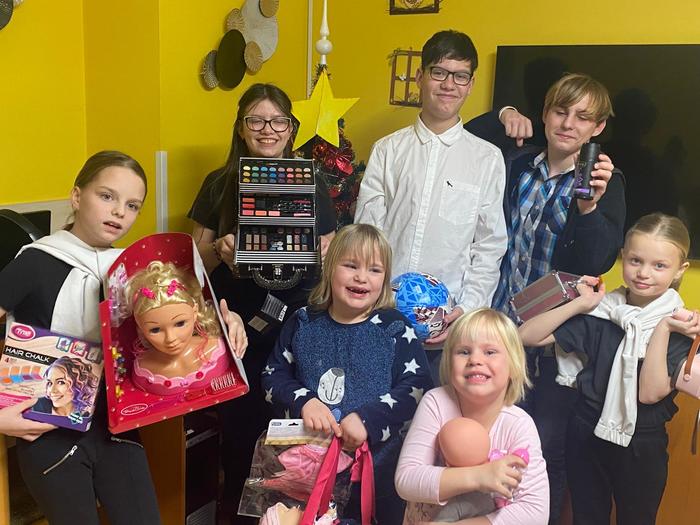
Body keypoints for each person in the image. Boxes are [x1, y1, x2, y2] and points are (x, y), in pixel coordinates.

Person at [0, 151, 247, 525]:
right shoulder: (35, 261)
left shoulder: (133, 269)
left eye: (132, 206)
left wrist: (228, 323)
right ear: (77, 196)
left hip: (118, 427)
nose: (119, 212)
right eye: (107, 196)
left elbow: (186, 317)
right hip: (48, 435)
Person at [466, 72, 625, 524]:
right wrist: (504, 114)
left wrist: (589, 207)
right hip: (501, 332)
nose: (568, 124)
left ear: (598, 128)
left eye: (583, 117)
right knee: (489, 443)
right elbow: (466, 136)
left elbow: (598, 260)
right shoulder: (518, 163)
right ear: (545, 114)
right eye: (560, 111)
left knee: (544, 452)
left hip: (555, 344)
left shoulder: (607, 182)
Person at [187, 83, 337, 521]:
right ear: (240, 127)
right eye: (256, 120)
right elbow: (194, 259)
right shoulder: (219, 183)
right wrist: (221, 251)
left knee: (295, 434)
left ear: (291, 129)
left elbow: (329, 248)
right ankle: (237, 513)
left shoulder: (312, 180)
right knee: (240, 430)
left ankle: (290, 515)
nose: (267, 129)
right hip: (238, 327)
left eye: (277, 121)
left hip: (298, 322)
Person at [519, 213, 700, 525]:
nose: (643, 273)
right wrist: (579, 304)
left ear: (679, 270)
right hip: (585, 431)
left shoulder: (683, 327)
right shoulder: (604, 313)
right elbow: (526, 335)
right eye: (635, 260)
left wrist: (663, 328)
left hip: (642, 443)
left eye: (659, 265)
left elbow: (649, 393)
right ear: (623, 257)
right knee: (587, 517)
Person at [354, 30, 507, 383]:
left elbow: (489, 246)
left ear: (471, 84)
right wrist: (370, 300)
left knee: (440, 416)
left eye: (460, 76)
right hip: (383, 319)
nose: (449, 84)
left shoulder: (487, 159)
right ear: (420, 77)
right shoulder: (387, 151)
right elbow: (367, 235)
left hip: (448, 329)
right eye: (439, 72)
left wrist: (466, 310)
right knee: (374, 413)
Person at [261, 224, 433, 525]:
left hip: (377, 476)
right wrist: (305, 402)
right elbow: (273, 374)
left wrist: (368, 419)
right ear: (330, 268)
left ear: (385, 279)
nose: (361, 277)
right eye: (351, 265)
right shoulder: (303, 322)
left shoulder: (394, 328)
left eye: (374, 270)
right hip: (306, 475)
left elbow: (417, 387)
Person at [396, 308, 549, 524]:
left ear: (513, 366)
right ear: (449, 363)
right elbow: (406, 480)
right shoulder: (436, 402)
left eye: (490, 352)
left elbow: (535, 512)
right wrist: (479, 476)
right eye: (464, 352)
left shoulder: (518, 425)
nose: (475, 359)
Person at [126, 261, 229, 395]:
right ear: (140, 327)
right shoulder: (145, 371)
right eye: (155, 330)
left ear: (194, 312)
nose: (171, 338)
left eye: (180, 323)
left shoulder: (214, 349)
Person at [32, 356, 100, 417]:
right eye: (50, 383)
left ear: (79, 385)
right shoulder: (37, 406)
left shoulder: (85, 417)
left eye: (61, 382)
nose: (52, 390)